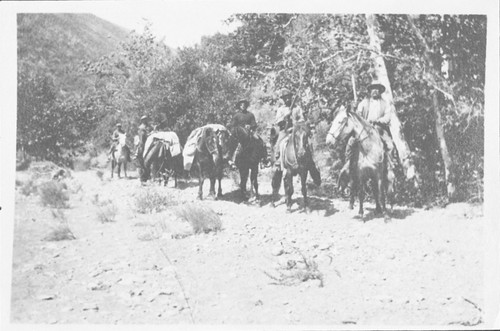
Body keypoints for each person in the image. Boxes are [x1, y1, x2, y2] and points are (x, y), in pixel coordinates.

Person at [341, 81, 395, 181]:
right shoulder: (364, 102)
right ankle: (348, 167)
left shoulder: (385, 104)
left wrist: (378, 121)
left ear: (380, 91)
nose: (375, 91)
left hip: (379, 128)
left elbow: (388, 117)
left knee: (390, 145)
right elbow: (357, 115)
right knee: (350, 143)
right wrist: (356, 110)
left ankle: (389, 167)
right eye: (372, 89)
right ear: (370, 91)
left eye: (377, 89)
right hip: (365, 129)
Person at [228, 99, 258, 168]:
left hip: (249, 132)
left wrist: (250, 126)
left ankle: (263, 157)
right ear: (239, 106)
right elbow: (232, 126)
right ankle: (231, 160)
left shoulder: (250, 115)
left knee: (258, 139)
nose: (243, 106)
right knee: (231, 143)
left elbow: (254, 124)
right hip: (238, 134)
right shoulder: (236, 115)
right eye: (241, 105)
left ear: (246, 106)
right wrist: (236, 129)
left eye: (244, 104)